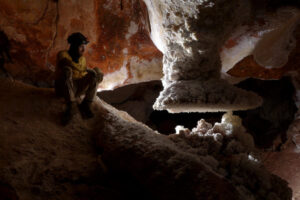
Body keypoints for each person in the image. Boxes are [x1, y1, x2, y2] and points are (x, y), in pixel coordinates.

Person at [55, 32, 103, 125]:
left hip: (77, 88)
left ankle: (86, 104)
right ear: (73, 46)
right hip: (64, 88)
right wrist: (87, 69)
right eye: (81, 46)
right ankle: (71, 107)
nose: (83, 49)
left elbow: (83, 74)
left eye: (84, 46)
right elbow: (66, 63)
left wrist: (96, 73)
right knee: (67, 71)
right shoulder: (62, 54)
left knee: (95, 74)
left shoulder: (82, 59)